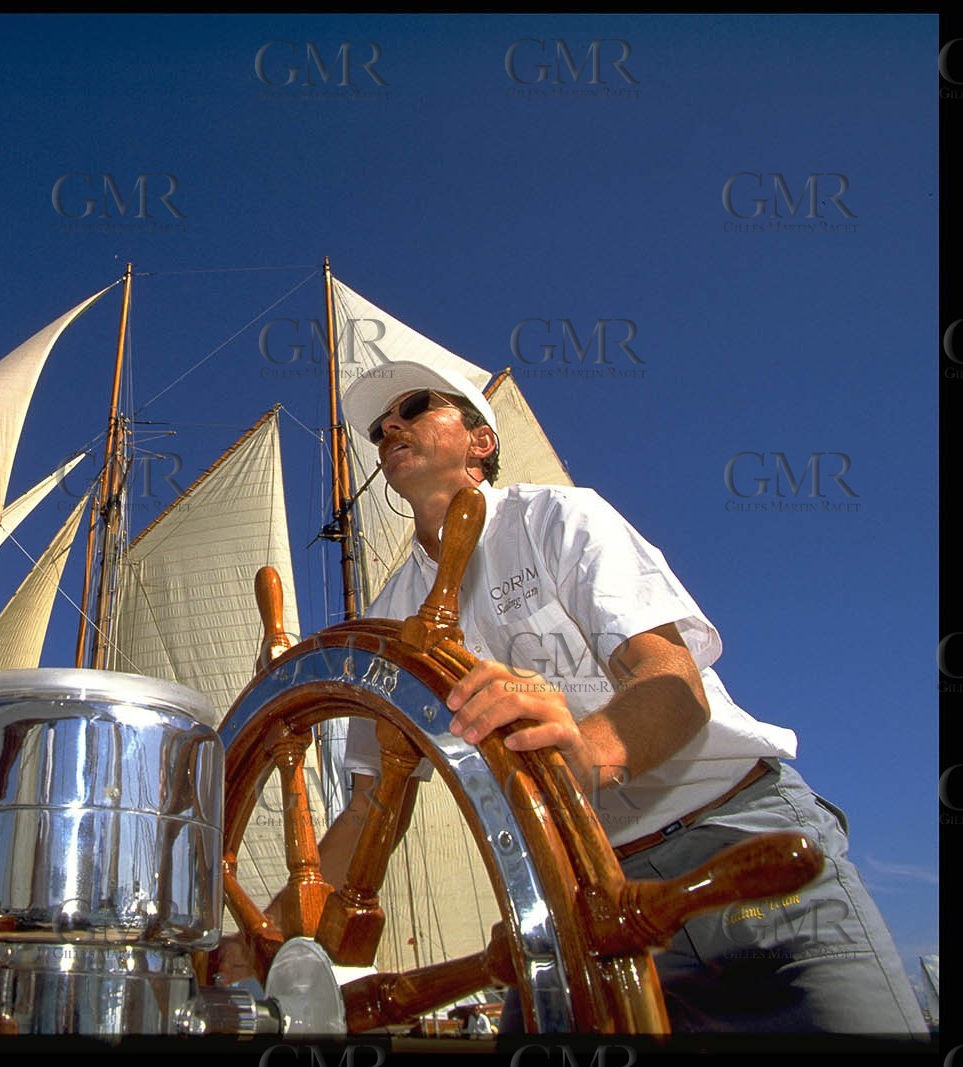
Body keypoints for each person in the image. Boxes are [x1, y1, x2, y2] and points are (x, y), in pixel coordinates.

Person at [323, 359, 926, 1036]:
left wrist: (587, 754)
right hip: (578, 890)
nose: (390, 428)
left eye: (412, 407)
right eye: (380, 426)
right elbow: (374, 803)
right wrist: (292, 928)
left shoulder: (560, 519)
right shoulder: (391, 615)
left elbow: (671, 679)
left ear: (480, 441)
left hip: (742, 845)